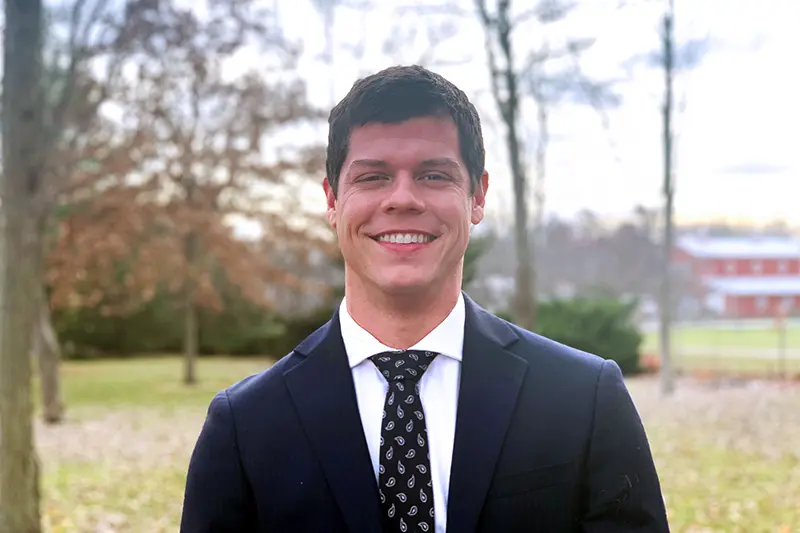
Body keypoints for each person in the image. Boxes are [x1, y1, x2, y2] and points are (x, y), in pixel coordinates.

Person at [179, 65, 670, 533]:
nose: (403, 199)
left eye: (434, 175)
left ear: (478, 197)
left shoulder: (583, 399)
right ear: (332, 200)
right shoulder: (245, 427)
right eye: (372, 177)